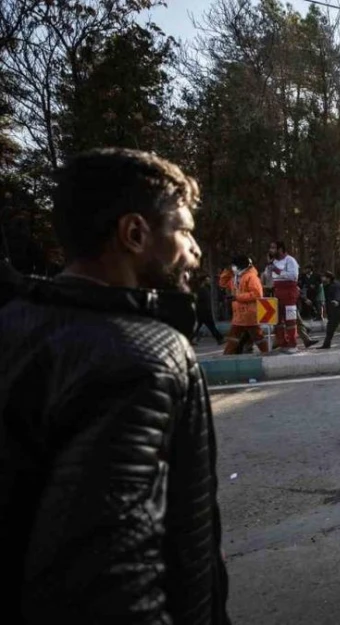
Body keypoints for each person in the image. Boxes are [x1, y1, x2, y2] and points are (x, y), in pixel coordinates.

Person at [0, 148, 230, 623]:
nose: (196, 249)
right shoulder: (144, 358)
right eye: (184, 231)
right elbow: (111, 576)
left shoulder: (16, 323)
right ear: (134, 233)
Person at [224, 255, 270, 354]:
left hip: (249, 314)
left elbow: (257, 294)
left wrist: (237, 297)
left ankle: (266, 353)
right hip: (240, 314)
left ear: (240, 266)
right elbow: (223, 282)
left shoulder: (251, 277)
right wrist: (227, 271)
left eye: (233, 265)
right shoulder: (236, 277)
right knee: (235, 337)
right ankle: (227, 355)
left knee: (257, 336)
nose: (232, 267)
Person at [267, 240, 301, 349]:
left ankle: (292, 342)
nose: (270, 250)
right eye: (270, 248)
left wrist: (278, 271)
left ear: (280, 249)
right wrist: (269, 267)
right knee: (277, 319)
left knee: (290, 319)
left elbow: (293, 276)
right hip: (277, 293)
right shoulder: (273, 262)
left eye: (273, 248)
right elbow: (269, 279)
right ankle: (282, 342)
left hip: (289, 293)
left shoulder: (290, 260)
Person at [193, 273, 225, 345]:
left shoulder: (206, 288)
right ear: (203, 281)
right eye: (207, 279)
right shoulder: (201, 290)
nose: (209, 280)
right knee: (211, 326)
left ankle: (189, 339)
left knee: (200, 327)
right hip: (203, 311)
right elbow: (198, 301)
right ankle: (220, 339)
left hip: (205, 311)